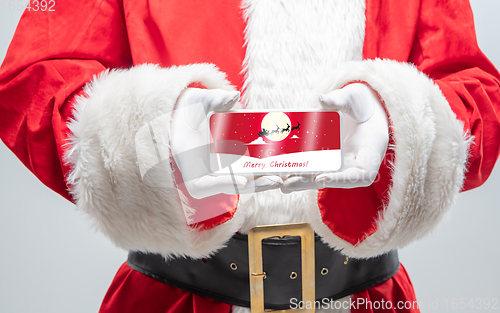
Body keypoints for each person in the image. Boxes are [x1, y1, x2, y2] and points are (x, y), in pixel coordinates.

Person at [1, 0, 499, 312]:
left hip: (366, 297)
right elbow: (32, 82)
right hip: (174, 296)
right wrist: (145, 131)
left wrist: (406, 120)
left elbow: (477, 95)